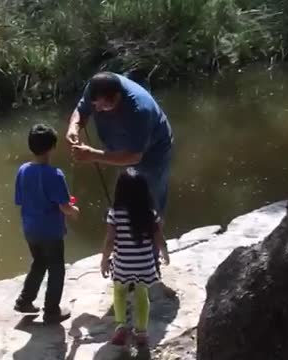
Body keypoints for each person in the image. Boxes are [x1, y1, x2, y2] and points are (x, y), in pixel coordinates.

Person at [66, 71, 175, 296]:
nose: (96, 110)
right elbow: (81, 111)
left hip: (152, 153)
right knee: (125, 203)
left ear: (116, 98)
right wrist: (74, 127)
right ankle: (130, 257)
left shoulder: (139, 110)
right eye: (95, 105)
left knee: (150, 205)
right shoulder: (96, 87)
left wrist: (93, 155)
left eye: (102, 107)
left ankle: (150, 266)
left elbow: (134, 157)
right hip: (121, 148)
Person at [13, 123, 80, 324]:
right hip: (50, 232)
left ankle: (24, 301)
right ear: (52, 147)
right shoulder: (55, 174)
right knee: (57, 268)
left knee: (39, 263)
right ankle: (51, 311)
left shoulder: (23, 170)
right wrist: (74, 211)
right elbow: (65, 207)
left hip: (30, 229)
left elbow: (21, 199)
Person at [100, 167, 170, 346]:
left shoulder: (114, 214)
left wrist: (104, 260)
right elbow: (159, 238)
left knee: (119, 292)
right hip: (145, 264)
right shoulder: (149, 215)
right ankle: (141, 332)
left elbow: (109, 241)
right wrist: (165, 253)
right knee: (141, 295)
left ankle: (121, 326)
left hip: (123, 263)